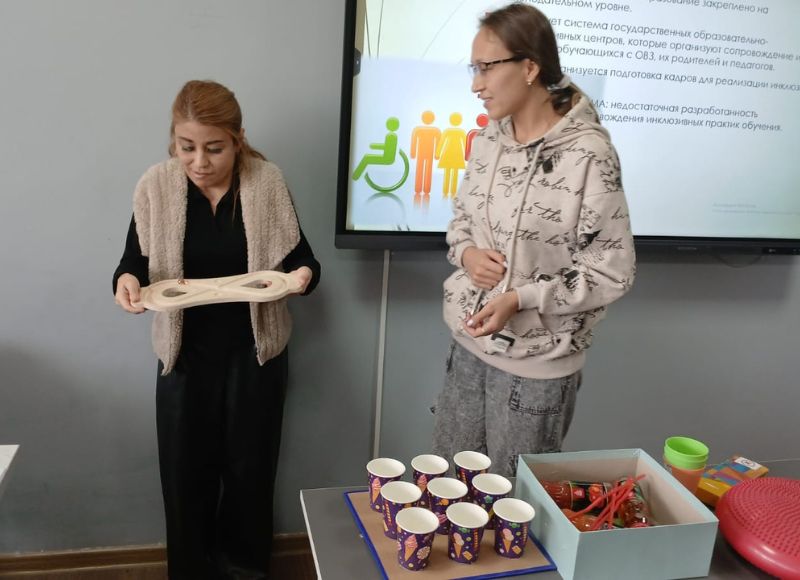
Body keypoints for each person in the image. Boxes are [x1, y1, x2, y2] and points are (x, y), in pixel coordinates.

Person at [113, 80, 320, 579]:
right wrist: (125, 282)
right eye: (187, 147)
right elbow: (133, 262)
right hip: (184, 356)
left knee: (250, 475)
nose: (200, 162)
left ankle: (246, 570)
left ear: (238, 139)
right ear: (173, 140)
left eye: (214, 148)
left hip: (256, 355)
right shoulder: (156, 186)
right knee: (185, 478)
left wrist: (301, 278)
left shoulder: (266, 182)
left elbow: (303, 259)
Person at [432, 4, 636, 478]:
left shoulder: (589, 154)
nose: (476, 84)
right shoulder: (487, 141)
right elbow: (461, 221)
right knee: (448, 490)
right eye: (473, 69)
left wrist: (521, 298)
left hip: (537, 368)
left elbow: (612, 270)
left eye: (486, 67)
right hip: (467, 349)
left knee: (512, 505)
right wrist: (467, 253)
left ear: (529, 68)